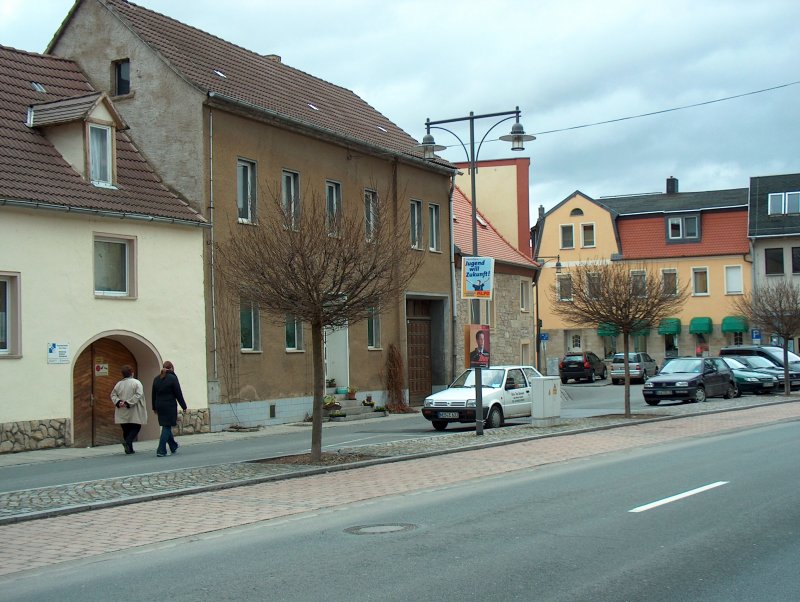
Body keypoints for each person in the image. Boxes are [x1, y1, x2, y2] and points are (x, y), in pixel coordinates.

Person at [151, 360, 188, 457]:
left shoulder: (156, 379)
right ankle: (161, 450)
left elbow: (153, 394)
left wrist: (154, 407)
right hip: (169, 405)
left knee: (165, 426)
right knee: (167, 427)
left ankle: (173, 445)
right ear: (171, 368)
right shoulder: (172, 378)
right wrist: (184, 406)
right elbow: (178, 393)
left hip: (159, 405)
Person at [110, 365, 147, 454]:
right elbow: (138, 395)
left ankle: (129, 449)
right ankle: (128, 442)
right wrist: (128, 403)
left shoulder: (119, 384)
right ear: (132, 373)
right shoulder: (136, 383)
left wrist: (119, 402)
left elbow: (113, 395)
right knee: (136, 426)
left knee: (126, 429)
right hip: (134, 409)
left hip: (122, 410)